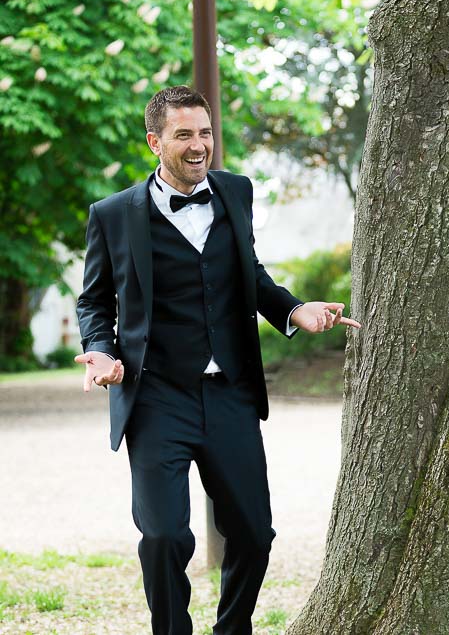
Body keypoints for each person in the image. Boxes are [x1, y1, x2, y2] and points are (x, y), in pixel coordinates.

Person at [75, 85, 359, 635]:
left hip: (229, 391)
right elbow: (93, 299)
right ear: (155, 141)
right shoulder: (113, 215)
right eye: (184, 134)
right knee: (163, 538)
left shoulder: (236, 192)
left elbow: (247, 273)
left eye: (205, 132)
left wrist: (293, 308)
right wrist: (102, 352)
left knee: (254, 533)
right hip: (156, 396)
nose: (199, 144)